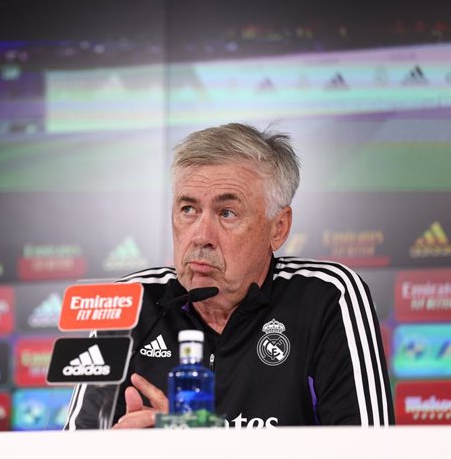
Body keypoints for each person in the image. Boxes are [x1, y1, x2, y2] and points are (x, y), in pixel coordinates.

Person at [64, 123, 394, 429]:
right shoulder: (127, 304)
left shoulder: (327, 297)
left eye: (227, 213)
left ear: (278, 228)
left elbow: (372, 451)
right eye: (188, 209)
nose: (200, 235)